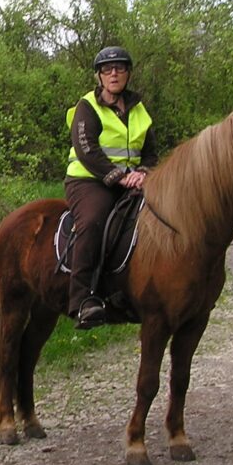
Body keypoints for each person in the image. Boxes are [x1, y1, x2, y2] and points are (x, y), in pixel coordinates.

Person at [65, 46, 157, 329]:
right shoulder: (87, 107)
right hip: (89, 180)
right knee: (93, 221)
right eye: (107, 69)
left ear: (128, 73)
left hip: (132, 181)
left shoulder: (139, 110)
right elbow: (87, 150)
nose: (114, 73)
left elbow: (150, 153)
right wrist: (118, 177)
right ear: (99, 76)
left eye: (119, 68)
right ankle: (82, 300)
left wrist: (142, 173)